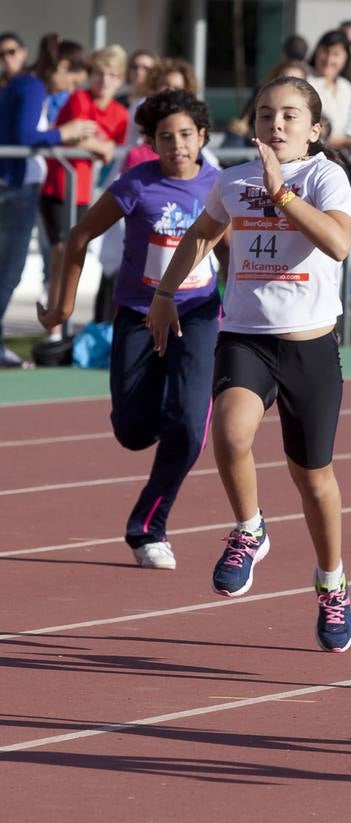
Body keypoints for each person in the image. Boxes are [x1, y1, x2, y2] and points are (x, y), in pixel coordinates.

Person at [149, 76, 351, 652]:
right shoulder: (234, 181)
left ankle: (331, 582)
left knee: (313, 480)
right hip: (245, 336)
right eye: (266, 114)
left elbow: (338, 245)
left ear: (315, 129)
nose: (277, 124)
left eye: (291, 116)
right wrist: (166, 295)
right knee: (231, 432)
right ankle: (249, 528)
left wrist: (284, 195)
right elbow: (200, 234)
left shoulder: (325, 177)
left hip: (310, 346)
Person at [37, 90, 221, 569]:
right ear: (151, 143)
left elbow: (236, 256)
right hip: (139, 313)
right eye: (165, 137)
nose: (177, 145)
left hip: (198, 314)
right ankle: (167, 404)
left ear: (202, 137)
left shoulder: (221, 188)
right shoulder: (136, 184)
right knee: (133, 432)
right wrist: (63, 306)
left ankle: (148, 528)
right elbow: (79, 236)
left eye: (185, 135)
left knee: (187, 427)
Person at [0, 33, 95, 367]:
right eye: (71, 80)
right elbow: (26, 136)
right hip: (13, 189)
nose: (70, 88)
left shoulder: (26, 85)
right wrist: (65, 133)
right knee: (8, 272)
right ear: (63, 66)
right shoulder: (32, 86)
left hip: (14, 187)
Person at [41, 46, 128, 319]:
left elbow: (118, 147)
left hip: (86, 193)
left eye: (112, 75)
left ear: (120, 80)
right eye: (99, 73)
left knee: (73, 254)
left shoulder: (120, 113)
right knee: (60, 253)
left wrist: (103, 145)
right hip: (57, 186)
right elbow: (70, 136)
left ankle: (61, 312)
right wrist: (100, 145)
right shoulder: (79, 98)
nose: (104, 80)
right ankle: (55, 319)